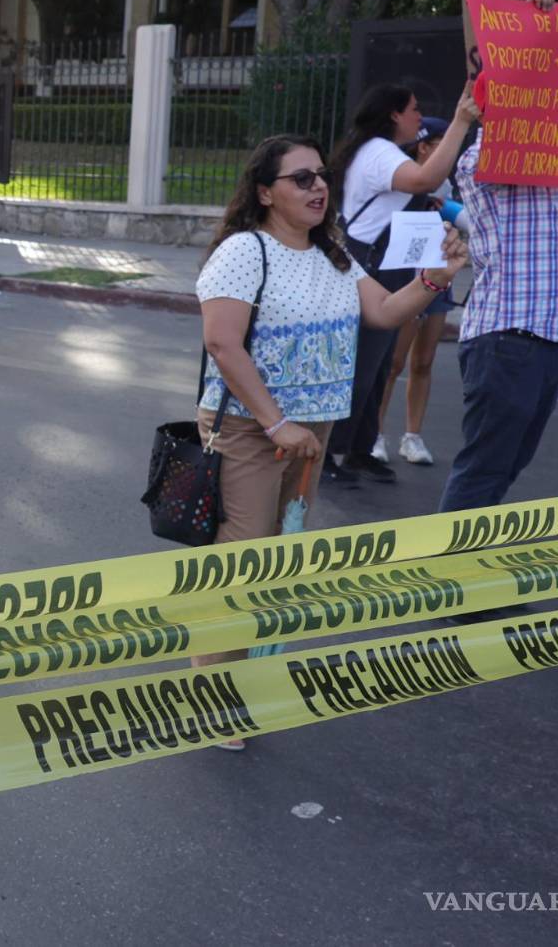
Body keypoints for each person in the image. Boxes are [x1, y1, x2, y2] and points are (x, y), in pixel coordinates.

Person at [191, 134, 467, 747]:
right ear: (265, 193)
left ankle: (236, 679)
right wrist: (275, 424)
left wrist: (436, 277)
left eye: (321, 176)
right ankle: (210, 699)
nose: (318, 187)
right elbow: (223, 344)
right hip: (249, 428)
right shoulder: (244, 251)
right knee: (242, 562)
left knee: (275, 558)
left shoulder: (334, 251)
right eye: (301, 178)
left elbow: (388, 312)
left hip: (309, 431)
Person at [439, 0, 558, 523]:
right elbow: (522, 114)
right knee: (484, 468)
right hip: (508, 338)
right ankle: (448, 579)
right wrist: (526, 36)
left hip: (545, 337)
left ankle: (466, 567)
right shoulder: (486, 156)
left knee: (506, 466)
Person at [321, 83, 478, 486]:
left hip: (386, 269)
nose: (419, 117)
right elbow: (424, 179)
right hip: (370, 269)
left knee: (376, 368)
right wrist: (461, 121)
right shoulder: (379, 152)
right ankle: (325, 455)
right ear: (394, 114)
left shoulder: (380, 151)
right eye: (414, 109)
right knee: (358, 367)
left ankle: (358, 448)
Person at [374, 117, 462, 467]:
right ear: (424, 147)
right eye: (441, 143)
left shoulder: (446, 188)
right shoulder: (403, 180)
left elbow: (463, 220)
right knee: (394, 363)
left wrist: (449, 214)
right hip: (408, 281)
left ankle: (413, 436)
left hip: (438, 277)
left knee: (423, 361)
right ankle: (375, 434)